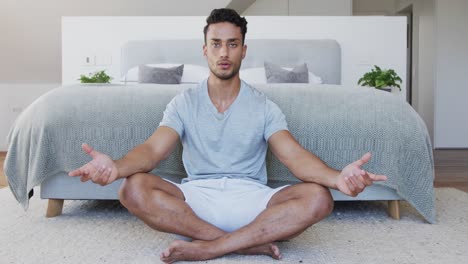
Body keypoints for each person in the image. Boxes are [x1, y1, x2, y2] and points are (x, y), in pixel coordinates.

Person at [69, 8, 387, 264]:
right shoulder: (183, 102)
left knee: (319, 198)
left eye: (232, 44)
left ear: (243, 50)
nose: (224, 52)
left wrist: (337, 178)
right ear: (205, 49)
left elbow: (295, 158)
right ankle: (247, 245)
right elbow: (152, 151)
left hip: (253, 199)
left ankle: (209, 247)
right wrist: (116, 167)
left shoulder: (265, 106)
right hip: (196, 199)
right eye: (217, 44)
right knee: (132, 188)